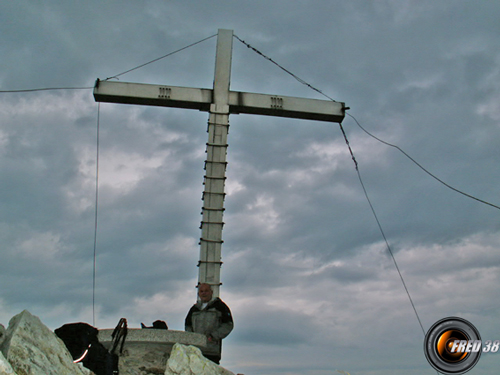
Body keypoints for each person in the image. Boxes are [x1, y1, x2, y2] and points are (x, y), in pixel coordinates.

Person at [185, 283, 234, 364]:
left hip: (212, 352)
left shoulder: (220, 306)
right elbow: (188, 326)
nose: (204, 293)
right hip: (196, 351)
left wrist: (213, 336)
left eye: (206, 291)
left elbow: (228, 325)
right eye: (202, 291)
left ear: (211, 292)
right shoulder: (194, 309)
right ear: (198, 294)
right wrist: (193, 339)